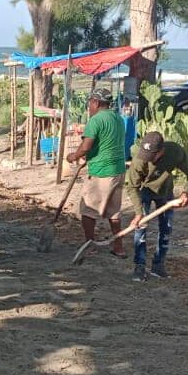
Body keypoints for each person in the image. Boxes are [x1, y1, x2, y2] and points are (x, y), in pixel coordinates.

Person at [64, 88, 128, 258]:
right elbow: (108, 143)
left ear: (96, 103)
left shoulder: (96, 120)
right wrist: (90, 156)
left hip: (101, 172)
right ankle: (118, 246)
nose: (89, 107)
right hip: (118, 170)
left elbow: (86, 146)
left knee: (88, 209)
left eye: (90, 103)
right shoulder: (118, 119)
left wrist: (73, 156)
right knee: (114, 211)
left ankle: (89, 244)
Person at [127, 132, 188, 281]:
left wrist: (185, 193)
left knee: (166, 228)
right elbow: (132, 187)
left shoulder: (174, 152)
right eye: (145, 155)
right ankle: (139, 266)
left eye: (151, 156)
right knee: (141, 228)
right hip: (143, 191)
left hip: (165, 192)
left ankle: (158, 265)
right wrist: (139, 213)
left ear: (161, 151)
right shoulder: (139, 160)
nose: (147, 159)